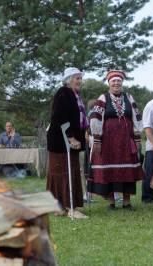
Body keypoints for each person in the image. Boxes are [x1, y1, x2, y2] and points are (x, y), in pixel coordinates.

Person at [88, 70, 144, 211]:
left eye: (119, 81)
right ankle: (111, 202)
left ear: (122, 83)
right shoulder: (103, 98)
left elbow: (136, 117)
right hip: (108, 143)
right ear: (109, 83)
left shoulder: (129, 98)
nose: (116, 83)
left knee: (127, 171)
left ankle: (126, 202)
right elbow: (95, 118)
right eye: (113, 81)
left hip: (126, 141)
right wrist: (97, 139)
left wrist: (137, 137)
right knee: (109, 171)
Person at [46, 67, 88, 219]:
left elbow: (79, 119)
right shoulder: (63, 93)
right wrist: (71, 138)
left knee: (68, 172)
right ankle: (69, 208)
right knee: (63, 173)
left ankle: (61, 207)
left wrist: (83, 134)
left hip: (68, 142)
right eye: (77, 78)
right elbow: (60, 117)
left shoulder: (75, 95)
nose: (79, 81)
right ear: (69, 80)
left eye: (80, 78)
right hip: (61, 142)